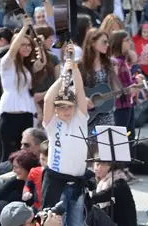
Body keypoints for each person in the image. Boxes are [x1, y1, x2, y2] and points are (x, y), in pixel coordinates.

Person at [41, 44, 89, 226]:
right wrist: (63, 77)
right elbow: (47, 99)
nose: (66, 110)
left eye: (69, 106)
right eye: (60, 107)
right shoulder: (53, 124)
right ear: (56, 110)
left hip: (77, 183)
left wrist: (74, 67)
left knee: (76, 223)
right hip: (56, 182)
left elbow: (80, 91)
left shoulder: (80, 118)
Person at [0, 17, 40, 160]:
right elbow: (13, 48)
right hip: (10, 115)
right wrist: (24, 27)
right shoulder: (6, 63)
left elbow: (42, 62)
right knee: (9, 156)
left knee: (26, 156)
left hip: (26, 114)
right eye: (23, 44)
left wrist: (39, 44)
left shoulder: (27, 66)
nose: (26, 47)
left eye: (29, 45)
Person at [90, 160, 137, 226]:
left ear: (109, 166)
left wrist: (84, 195)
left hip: (120, 223)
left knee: (94, 211)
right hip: (112, 221)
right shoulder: (102, 182)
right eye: (95, 165)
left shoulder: (119, 183)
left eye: (98, 164)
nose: (96, 168)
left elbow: (103, 196)